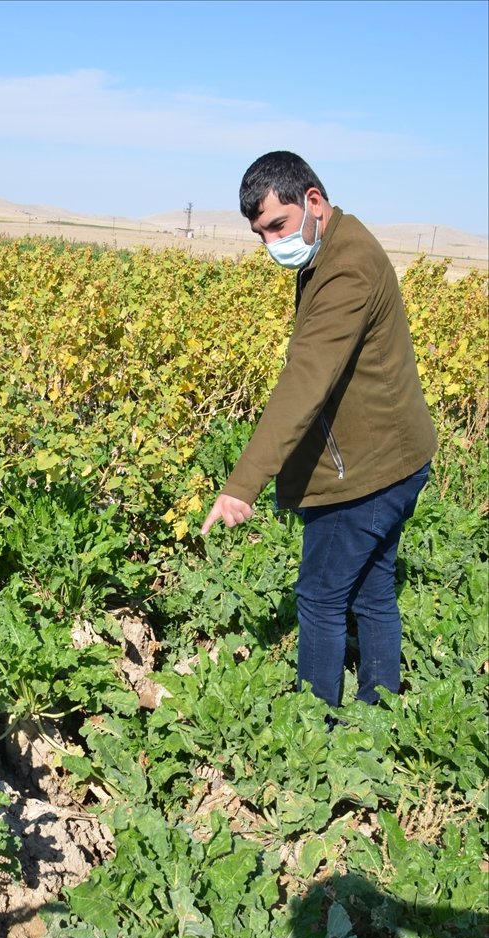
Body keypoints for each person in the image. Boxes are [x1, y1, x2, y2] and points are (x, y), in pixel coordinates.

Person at [201, 151, 438, 709]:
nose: (270, 244)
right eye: (260, 234)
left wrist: (242, 484)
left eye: (277, 226)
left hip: (367, 470)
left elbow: (305, 379)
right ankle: (379, 714)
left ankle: (313, 735)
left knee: (320, 597)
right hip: (396, 455)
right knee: (373, 587)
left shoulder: (346, 266)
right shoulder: (334, 247)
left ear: (312, 200)